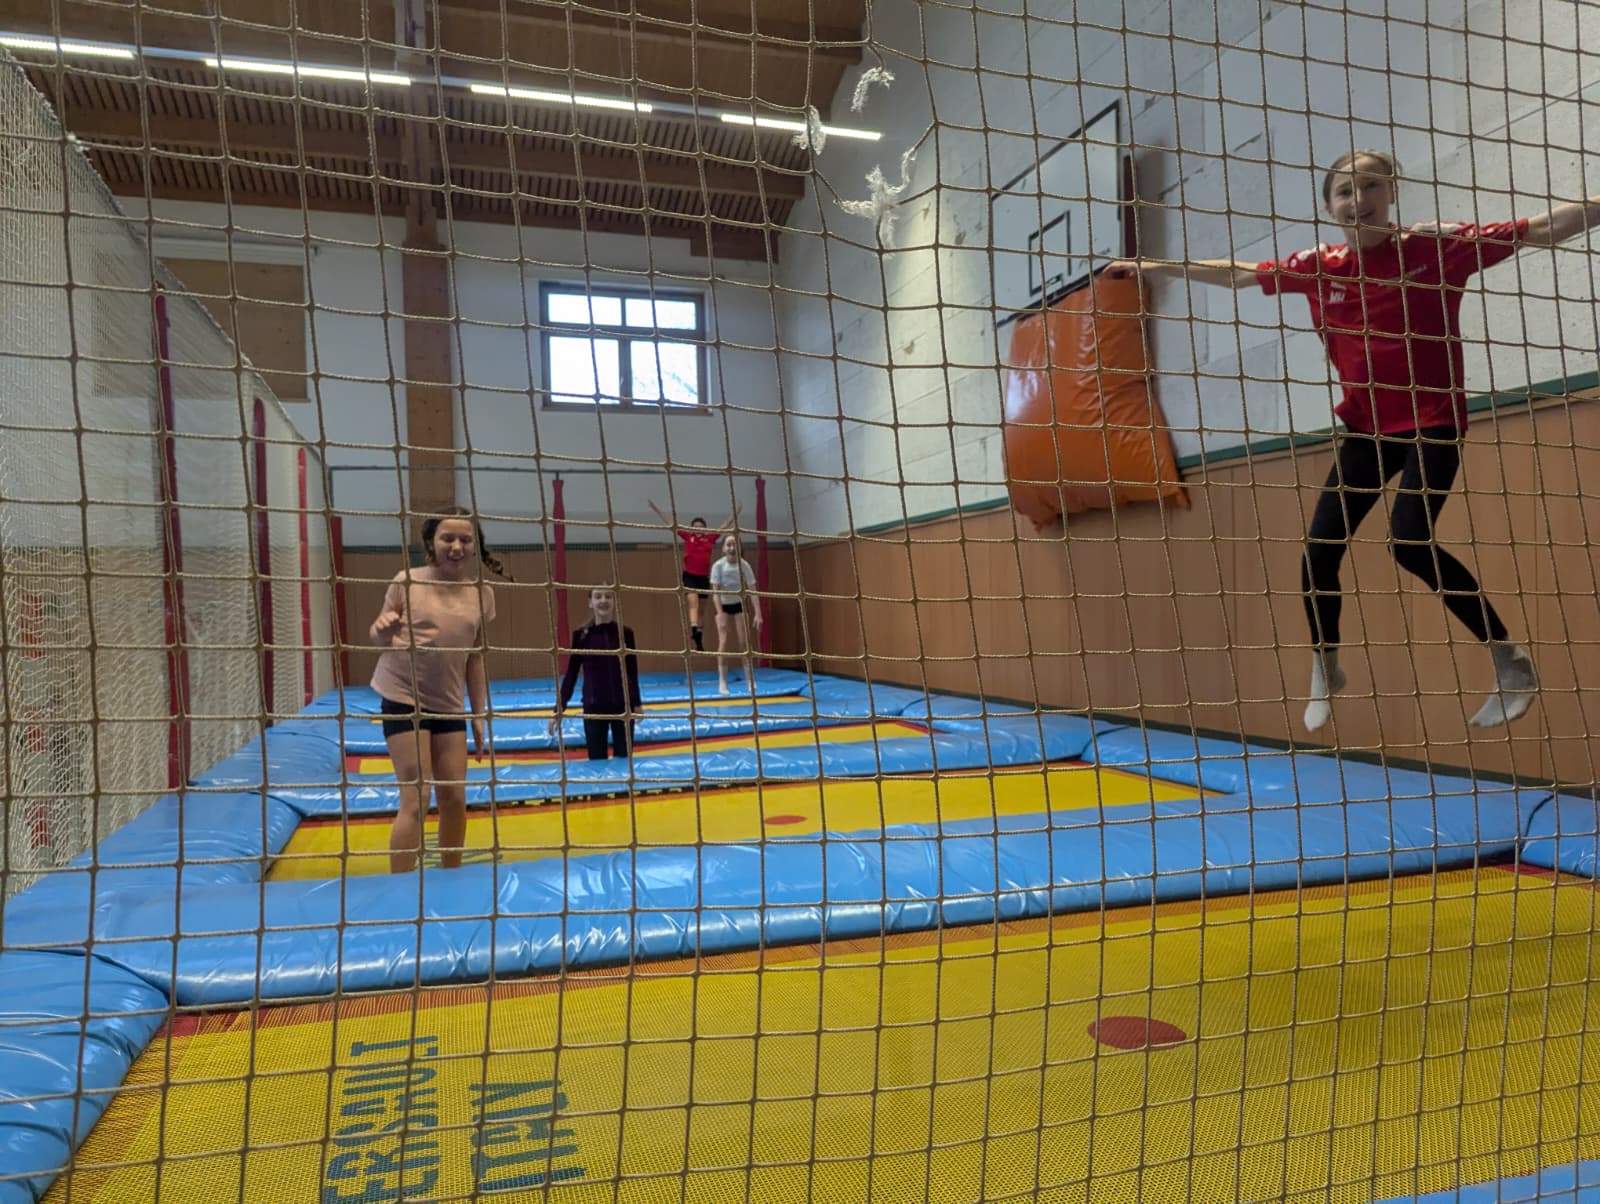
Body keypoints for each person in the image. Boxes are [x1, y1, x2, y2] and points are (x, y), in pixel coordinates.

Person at [1107, 149, 1600, 732]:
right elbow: (1238, 273)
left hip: (1433, 421)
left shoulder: (1435, 247)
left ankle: (1508, 661)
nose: (1358, 199)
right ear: (1330, 206)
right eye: (1345, 190)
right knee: (1319, 552)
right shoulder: (1321, 267)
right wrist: (1153, 266)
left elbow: (1540, 228)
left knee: (1408, 541)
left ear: (1390, 193)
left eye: (1370, 186)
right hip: (1367, 429)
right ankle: (1327, 665)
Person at [369, 506, 507, 873]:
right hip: (404, 697)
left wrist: (478, 713)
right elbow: (378, 636)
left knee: (454, 797)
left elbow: (475, 659)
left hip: (448, 703)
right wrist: (381, 630)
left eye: (465, 539)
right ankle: (401, 885)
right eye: (448, 538)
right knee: (416, 797)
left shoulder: (482, 593)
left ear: (475, 545)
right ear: (432, 542)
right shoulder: (407, 581)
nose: (457, 546)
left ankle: (451, 878)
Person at [551, 586, 642, 760]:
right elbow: (571, 674)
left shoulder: (625, 634)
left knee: (625, 761)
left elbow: (632, 671)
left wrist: (636, 703)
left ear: (614, 602)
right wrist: (559, 708)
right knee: (597, 762)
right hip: (594, 707)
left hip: (622, 706)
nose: (603, 600)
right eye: (598, 597)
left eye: (608, 596)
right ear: (590, 603)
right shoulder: (582, 636)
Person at [647, 499, 738, 651]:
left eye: (701, 527)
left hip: (703, 577)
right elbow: (671, 523)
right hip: (690, 576)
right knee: (693, 602)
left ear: (705, 529)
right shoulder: (688, 536)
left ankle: (698, 637)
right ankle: (694, 627)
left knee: (702, 609)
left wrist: (735, 514)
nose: (698, 529)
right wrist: (656, 509)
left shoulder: (710, 538)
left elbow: (724, 526)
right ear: (691, 529)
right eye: (695, 527)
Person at [709, 533, 762, 696]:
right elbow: (715, 592)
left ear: (740, 548)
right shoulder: (718, 566)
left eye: (735, 545)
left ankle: (750, 680)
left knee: (743, 643)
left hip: (739, 605)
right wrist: (720, 614)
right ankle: (722, 682)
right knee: (723, 643)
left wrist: (758, 613)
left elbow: (753, 590)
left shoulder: (744, 565)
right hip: (723, 605)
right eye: (729, 545)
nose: (732, 548)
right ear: (723, 548)